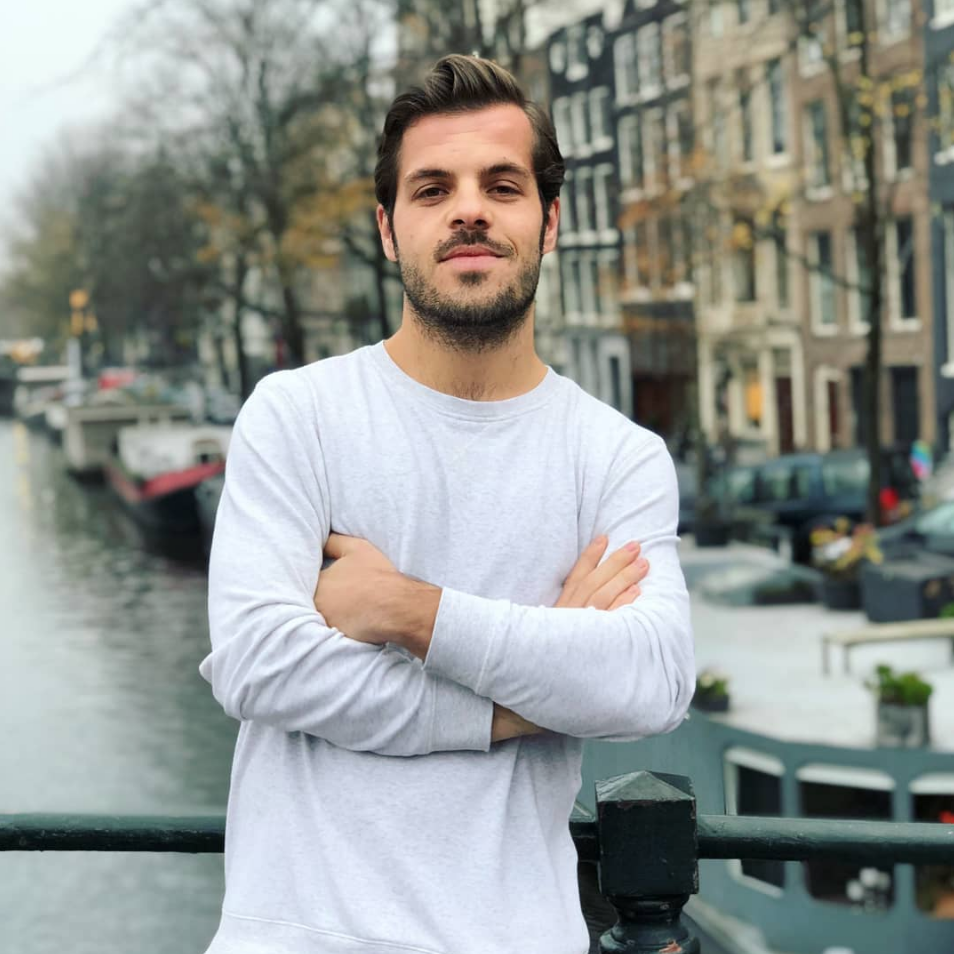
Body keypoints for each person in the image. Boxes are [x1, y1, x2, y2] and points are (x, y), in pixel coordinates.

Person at [200, 54, 694, 954]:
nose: (469, 210)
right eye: (433, 190)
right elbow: (259, 665)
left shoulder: (618, 456)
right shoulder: (297, 415)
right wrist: (535, 695)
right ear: (389, 230)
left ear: (549, 222)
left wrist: (407, 612)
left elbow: (652, 679)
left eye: (501, 186)